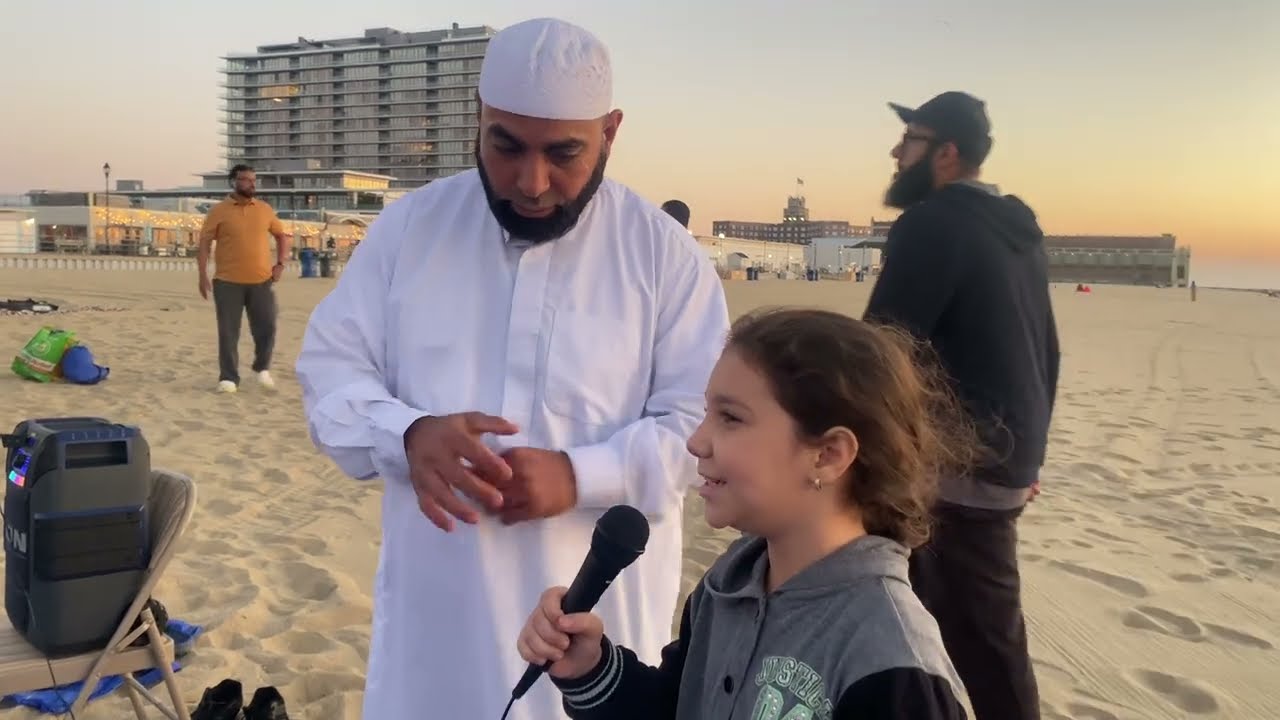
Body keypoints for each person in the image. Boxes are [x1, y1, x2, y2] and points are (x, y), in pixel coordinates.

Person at [294, 17, 729, 720]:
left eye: (564, 153)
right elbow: (330, 370)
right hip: (436, 636)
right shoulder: (411, 229)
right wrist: (405, 434)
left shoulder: (664, 258)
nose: (532, 182)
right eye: (506, 146)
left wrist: (577, 475)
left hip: (599, 640)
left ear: (610, 132)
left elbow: (701, 429)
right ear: (480, 116)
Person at [517, 308, 976, 719]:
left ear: (828, 455)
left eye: (730, 418)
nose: (696, 441)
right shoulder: (728, 586)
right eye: (705, 414)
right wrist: (593, 669)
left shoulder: (892, 664)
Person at [865, 90, 1060, 720]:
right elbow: (1046, 349)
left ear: (945, 153)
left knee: (980, 648)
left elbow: (880, 350)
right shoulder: (1016, 225)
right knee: (960, 630)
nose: (897, 152)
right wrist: (1030, 458)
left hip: (958, 469)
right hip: (1007, 454)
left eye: (911, 139)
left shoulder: (934, 221)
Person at [196, 164, 290, 393]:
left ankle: (261, 368)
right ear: (234, 182)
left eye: (253, 180)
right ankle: (228, 377)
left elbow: (282, 236)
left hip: (261, 281)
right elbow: (205, 244)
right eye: (246, 180)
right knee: (229, 331)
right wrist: (202, 275)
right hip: (227, 282)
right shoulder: (218, 211)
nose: (251, 184)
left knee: (267, 326)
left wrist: (280, 264)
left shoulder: (264, 209)